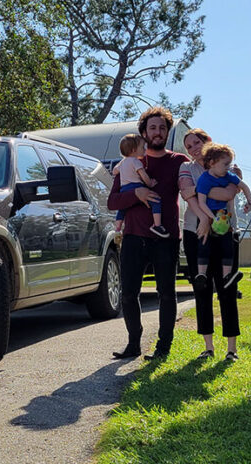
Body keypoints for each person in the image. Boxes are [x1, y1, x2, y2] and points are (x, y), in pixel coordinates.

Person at [107, 106, 188, 360]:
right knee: (129, 293)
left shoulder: (178, 161)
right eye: (152, 127)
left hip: (166, 238)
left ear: (167, 132)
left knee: (167, 293)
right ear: (143, 132)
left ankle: (163, 348)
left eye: (163, 128)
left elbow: (191, 188)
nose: (158, 132)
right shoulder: (129, 163)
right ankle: (134, 343)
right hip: (133, 237)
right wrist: (137, 194)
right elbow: (113, 202)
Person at [179, 128, 244, 362]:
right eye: (188, 146)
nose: (193, 148)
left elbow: (229, 193)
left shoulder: (230, 168)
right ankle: (208, 347)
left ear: (208, 142)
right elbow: (186, 193)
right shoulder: (186, 168)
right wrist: (205, 218)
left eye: (197, 142)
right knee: (202, 290)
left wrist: (201, 191)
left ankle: (231, 348)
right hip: (195, 232)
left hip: (226, 231)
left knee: (227, 289)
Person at [194, 143, 251, 291]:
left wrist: (249, 202)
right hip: (209, 215)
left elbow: (244, 186)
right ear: (212, 163)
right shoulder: (204, 179)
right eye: (225, 164)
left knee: (228, 245)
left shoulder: (229, 176)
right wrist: (210, 218)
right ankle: (201, 274)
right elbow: (201, 202)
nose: (228, 167)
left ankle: (227, 276)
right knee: (204, 243)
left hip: (223, 216)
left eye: (230, 164)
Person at [113, 134, 169, 238]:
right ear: (134, 150)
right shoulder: (136, 161)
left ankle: (117, 228)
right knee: (156, 201)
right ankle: (157, 225)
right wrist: (150, 184)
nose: (145, 149)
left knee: (122, 209)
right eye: (143, 147)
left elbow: (114, 171)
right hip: (136, 186)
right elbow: (144, 176)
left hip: (124, 189)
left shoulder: (122, 162)